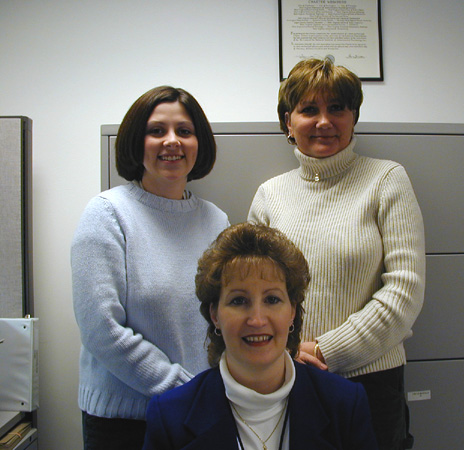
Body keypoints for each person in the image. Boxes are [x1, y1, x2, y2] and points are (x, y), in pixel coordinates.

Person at [248, 58, 426, 450]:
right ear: (287, 122)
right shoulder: (269, 194)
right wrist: (287, 353)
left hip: (371, 384)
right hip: (287, 377)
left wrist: (323, 351)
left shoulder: (386, 179)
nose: (324, 121)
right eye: (309, 109)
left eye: (337, 108)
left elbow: (404, 292)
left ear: (353, 116)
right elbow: (254, 293)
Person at [71, 86, 229, 450]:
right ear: (135, 141)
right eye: (156, 131)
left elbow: (222, 316)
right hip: (125, 422)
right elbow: (101, 329)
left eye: (184, 131)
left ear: (199, 143)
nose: (171, 141)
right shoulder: (107, 213)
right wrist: (182, 389)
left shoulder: (215, 220)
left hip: (197, 413)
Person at [142, 222, 379, 450]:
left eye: (272, 300)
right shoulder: (171, 416)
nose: (256, 320)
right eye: (238, 301)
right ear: (215, 314)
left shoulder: (344, 404)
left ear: (292, 311)